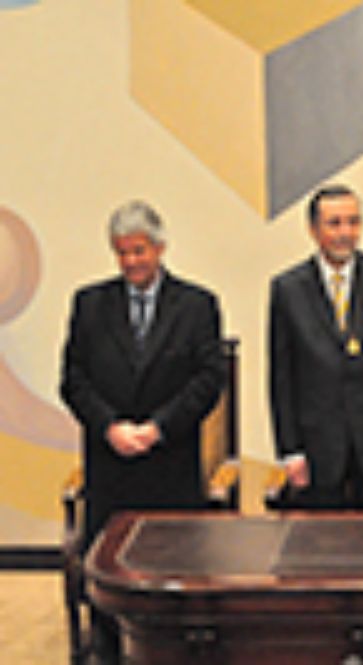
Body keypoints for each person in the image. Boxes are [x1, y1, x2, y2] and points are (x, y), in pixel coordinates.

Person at [60, 200, 224, 663]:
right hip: (111, 467)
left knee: (170, 584)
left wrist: (157, 429)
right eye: (122, 253)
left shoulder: (196, 305)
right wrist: (110, 426)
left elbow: (209, 380)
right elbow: (73, 379)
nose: (132, 261)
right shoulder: (89, 304)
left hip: (169, 467)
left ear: (160, 247)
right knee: (110, 587)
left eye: (139, 250)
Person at [269, 184, 363, 509]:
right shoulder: (288, 289)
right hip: (316, 448)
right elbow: (282, 376)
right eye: (334, 223)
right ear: (313, 229)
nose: (345, 233)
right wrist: (289, 449)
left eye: (353, 222)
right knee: (322, 550)